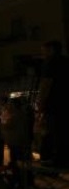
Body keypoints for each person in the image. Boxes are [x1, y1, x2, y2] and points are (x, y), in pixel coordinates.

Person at [36, 40, 69, 168]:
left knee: (55, 131)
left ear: (51, 49)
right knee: (64, 130)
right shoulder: (66, 61)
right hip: (65, 102)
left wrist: (40, 102)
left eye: (44, 50)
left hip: (54, 103)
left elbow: (46, 84)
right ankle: (64, 158)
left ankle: (58, 159)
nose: (42, 53)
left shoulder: (50, 62)